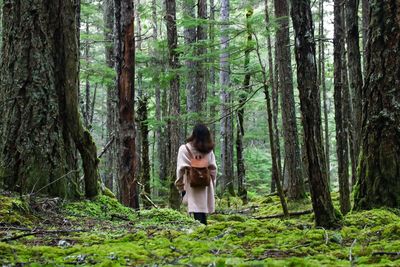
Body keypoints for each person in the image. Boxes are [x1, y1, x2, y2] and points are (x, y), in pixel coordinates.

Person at [175, 124, 217, 225]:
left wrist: (180, 186)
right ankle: (203, 229)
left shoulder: (184, 149)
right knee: (202, 209)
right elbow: (213, 169)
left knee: (196, 209)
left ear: (194, 134)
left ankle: (200, 233)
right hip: (206, 184)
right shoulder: (209, 150)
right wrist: (212, 184)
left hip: (191, 183)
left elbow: (180, 170)